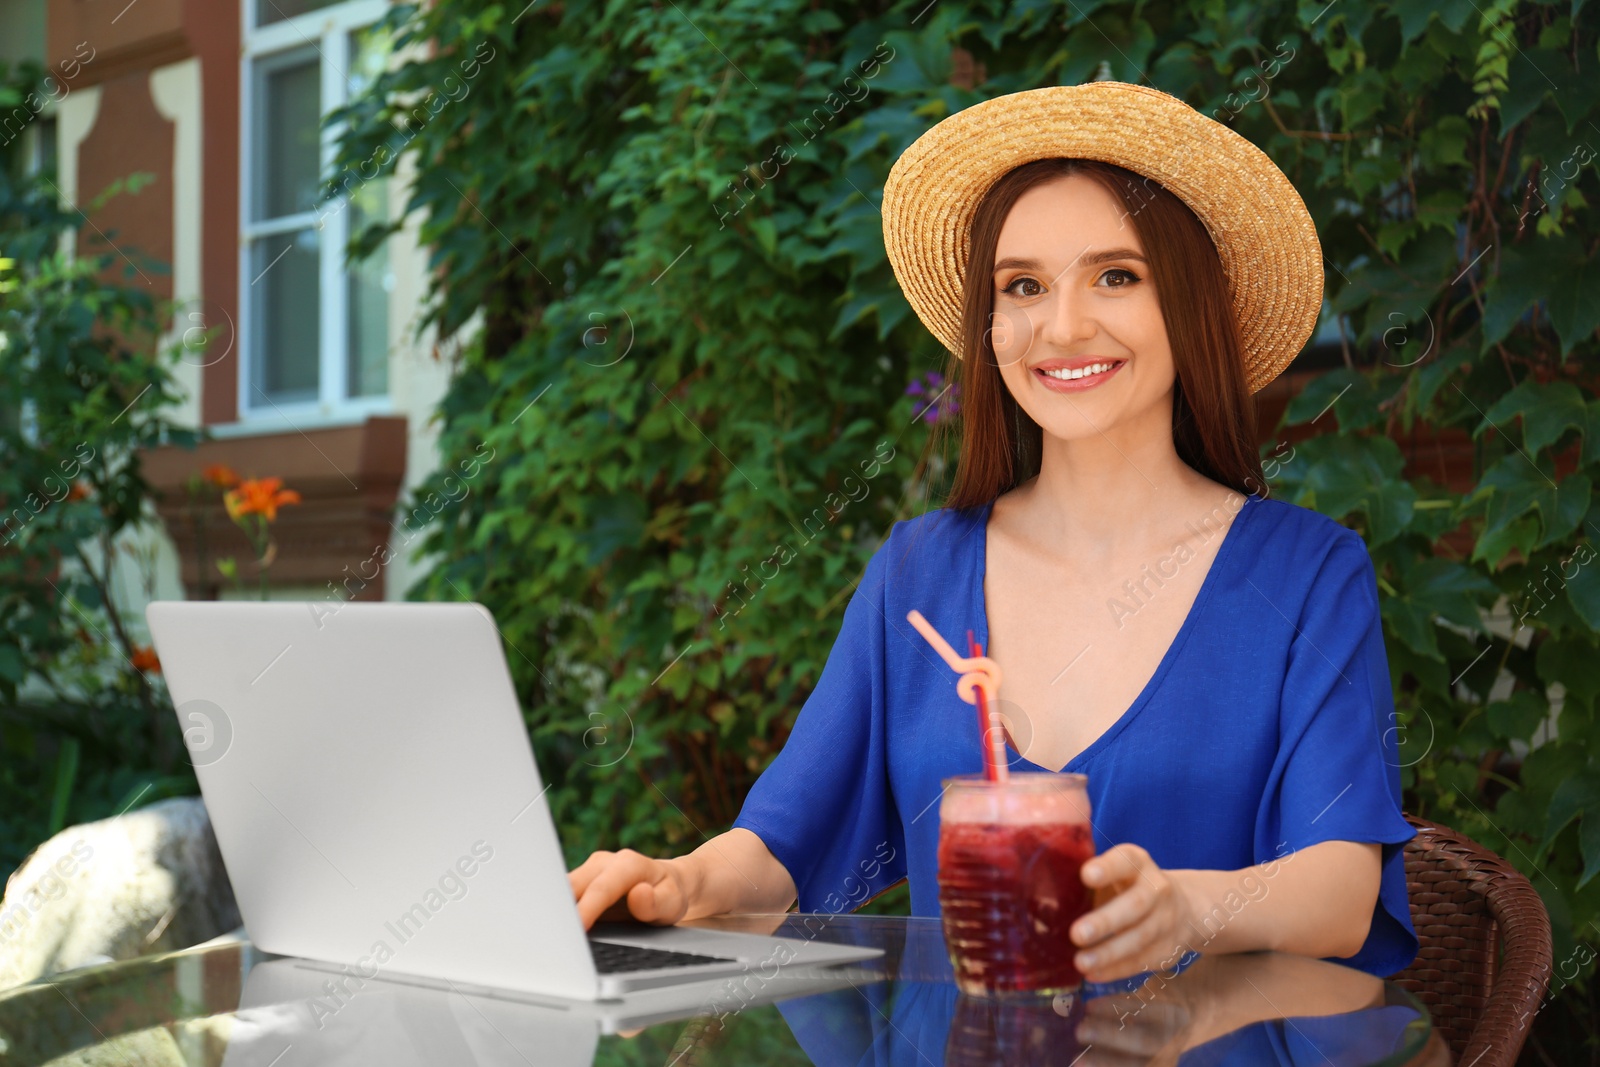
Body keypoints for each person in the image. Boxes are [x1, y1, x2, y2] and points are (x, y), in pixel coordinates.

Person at [569, 81, 1419, 983]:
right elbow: (780, 847)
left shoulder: (1308, 574)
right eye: (1022, 286)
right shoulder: (916, 575)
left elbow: (1340, 891)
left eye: (1116, 276)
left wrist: (1186, 906)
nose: (1062, 325)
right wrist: (682, 878)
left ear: (1189, 302)